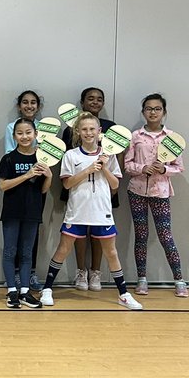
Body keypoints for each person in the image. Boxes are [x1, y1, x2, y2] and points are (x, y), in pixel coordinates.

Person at [34, 112, 142, 310]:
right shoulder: (70, 155)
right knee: (63, 249)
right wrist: (87, 170)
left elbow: (115, 185)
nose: (88, 132)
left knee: (111, 252)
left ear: (100, 132)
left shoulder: (108, 156)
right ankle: (47, 289)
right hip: (77, 211)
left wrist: (104, 167)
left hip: (102, 212)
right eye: (84, 129)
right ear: (78, 131)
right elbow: (67, 184)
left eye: (92, 129)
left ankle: (124, 294)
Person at [123, 94, 188, 298]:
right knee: (141, 236)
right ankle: (142, 279)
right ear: (143, 112)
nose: (153, 112)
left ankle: (179, 280)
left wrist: (163, 170)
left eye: (157, 108)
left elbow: (179, 167)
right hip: (137, 191)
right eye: (149, 109)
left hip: (160, 192)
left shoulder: (171, 137)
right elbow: (127, 165)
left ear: (164, 112)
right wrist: (143, 168)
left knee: (165, 236)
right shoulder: (135, 136)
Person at [61, 86, 117, 291]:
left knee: (99, 233)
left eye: (99, 99)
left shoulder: (111, 127)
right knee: (79, 232)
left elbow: (115, 158)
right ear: (82, 102)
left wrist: (112, 186)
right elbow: (66, 159)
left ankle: (96, 272)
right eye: (90, 98)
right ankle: (80, 272)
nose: (95, 102)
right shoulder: (69, 129)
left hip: (104, 188)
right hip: (78, 187)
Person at [0, 117, 51, 309]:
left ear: (36, 134)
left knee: (27, 254)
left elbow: (44, 190)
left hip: (33, 212)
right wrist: (27, 175)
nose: (25, 136)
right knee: (10, 252)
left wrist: (49, 176)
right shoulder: (9, 158)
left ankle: (25, 292)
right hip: (12, 212)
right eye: (20, 133)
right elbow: (3, 185)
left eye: (28, 132)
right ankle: (12, 291)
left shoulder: (42, 158)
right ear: (14, 136)